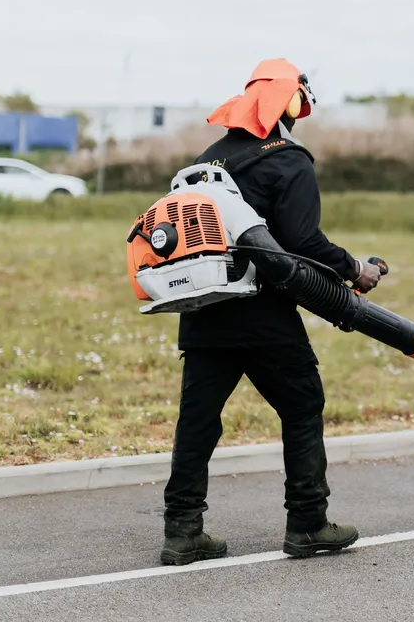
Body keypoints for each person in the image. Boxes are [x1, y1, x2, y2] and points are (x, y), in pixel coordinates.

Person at [159, 58, 384, 566]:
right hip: (265, 317)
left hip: (203, 311)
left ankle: (182, 531)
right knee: (303, 408)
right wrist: (355, 270)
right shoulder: (289, 160)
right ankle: (308, 524)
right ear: (291, 101)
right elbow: (302, 242)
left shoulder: (207, 160)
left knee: (198, 422)